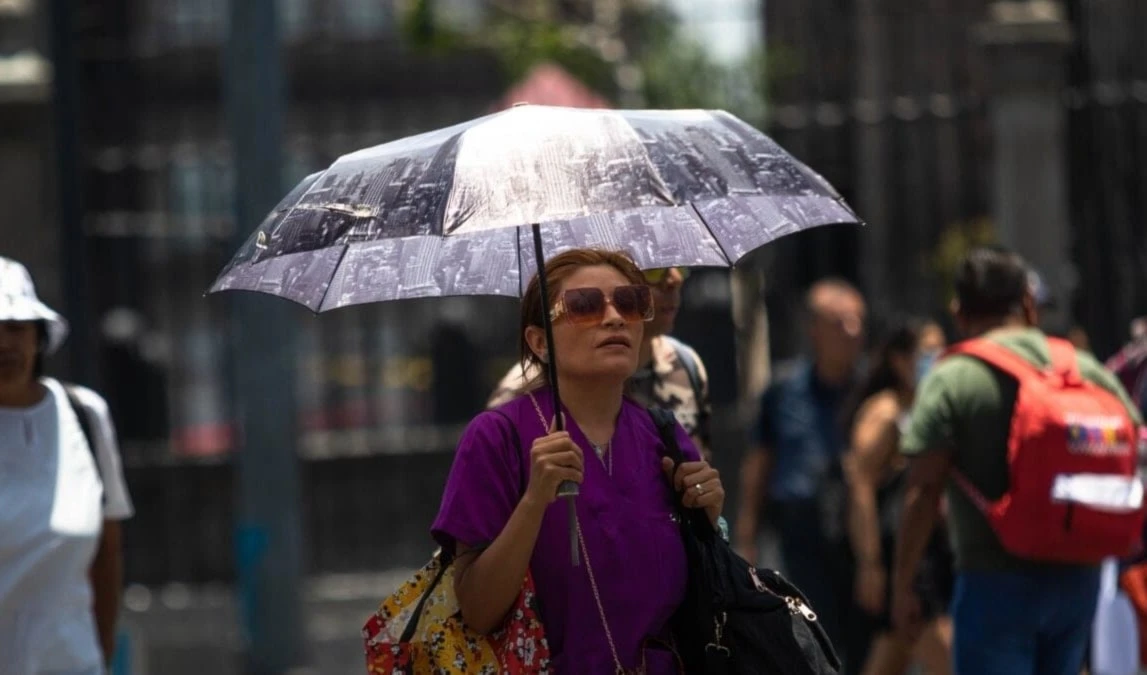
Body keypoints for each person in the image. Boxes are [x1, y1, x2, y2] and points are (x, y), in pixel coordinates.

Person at [432, 248, 726, 673]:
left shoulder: (663, 436)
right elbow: (478, 610)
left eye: (629, 303)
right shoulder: (497, 436)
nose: (613, 317)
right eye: (585, 306)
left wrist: (709, 519)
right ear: (538, 341)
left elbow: (699, 597)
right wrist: (534, 500)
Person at [892, 246, 1142, 675]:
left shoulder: (952, 376)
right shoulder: (1082, 368)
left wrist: (903, 583)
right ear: (1028, 304)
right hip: (1077, 579)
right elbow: (1135, 441)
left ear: (958, 311)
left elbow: (923, 488)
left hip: (993, 582)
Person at [0, 256, 135, 674]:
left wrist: (103, 650)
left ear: (39, 337)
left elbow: (108, 550)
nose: (4, 344)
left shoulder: (84, 414)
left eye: (16, 328)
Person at [734, 277, 867, 668]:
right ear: (815, 331)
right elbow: (759, 464)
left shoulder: (871, 390)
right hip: (798, 537)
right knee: (804, 638)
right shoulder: (783, 390)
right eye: (840, 322)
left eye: (858, 321)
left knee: (859, 643)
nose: (853, 332)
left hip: (856, 538)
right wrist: (746, 540)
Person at [487, 266, 713, 460]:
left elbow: (701, 468)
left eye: (679, 266)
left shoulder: (685, 364)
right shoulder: (520, 395)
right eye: (653, 270)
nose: (674, 279)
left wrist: (701, 503)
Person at [841, 316, 952, 675]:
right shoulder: (886, 412)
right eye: (927, 352)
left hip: (927, 552)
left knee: (891, 658)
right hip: (901, 559)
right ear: (900, 359)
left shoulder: (926, 407)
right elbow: (859, 483)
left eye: (941, 350)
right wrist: (870, 564)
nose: (936, 359)